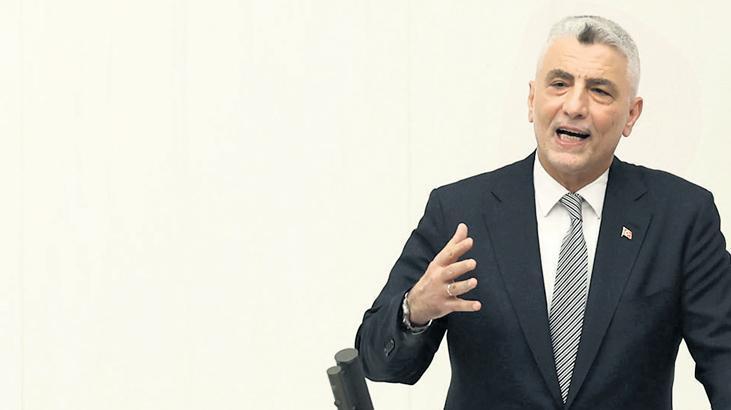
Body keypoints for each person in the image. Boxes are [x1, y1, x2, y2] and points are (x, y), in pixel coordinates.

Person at [355, 15, 731, 409]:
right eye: (559, 84)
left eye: (600, 91)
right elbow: (376, 360)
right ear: (533, 100)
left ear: (631, 115)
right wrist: (414, 309)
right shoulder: (460, 211)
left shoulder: (681, 217)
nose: (575, 106)